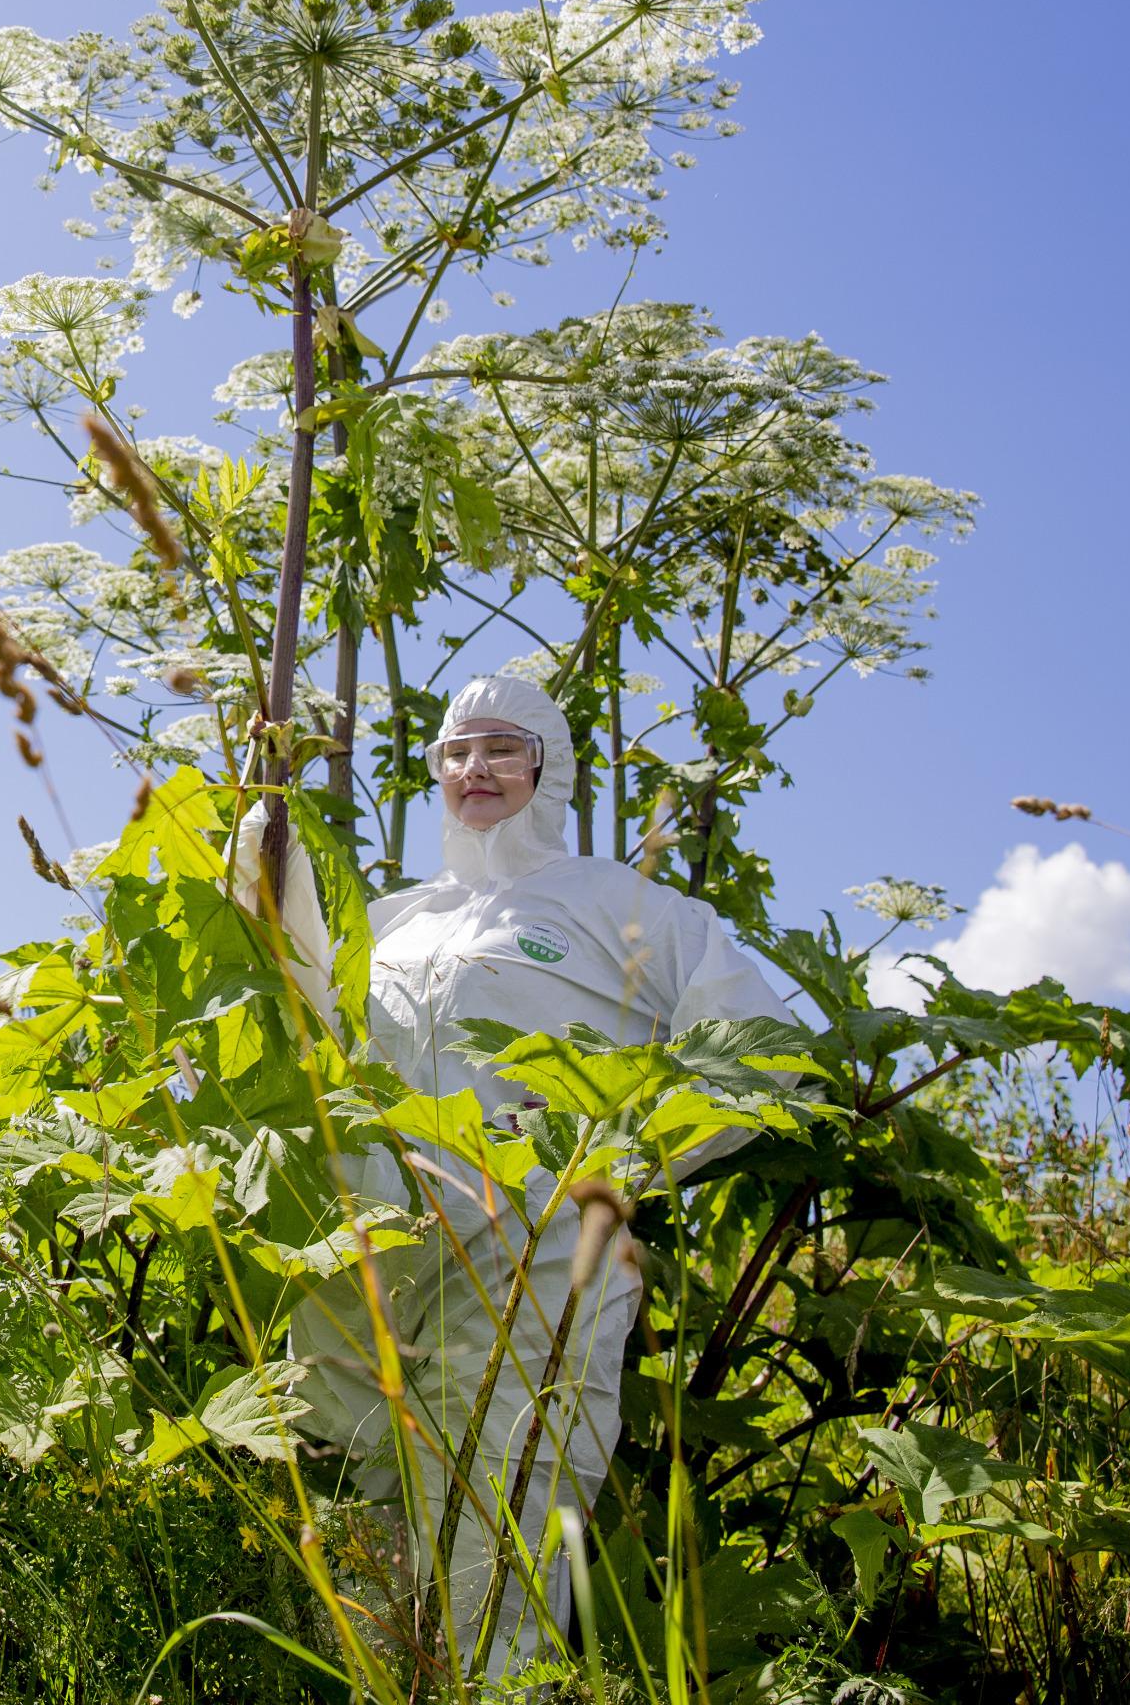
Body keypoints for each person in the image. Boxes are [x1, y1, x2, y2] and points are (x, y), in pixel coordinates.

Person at [237, 670, 791, 1677]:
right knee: (354, 1510)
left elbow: (763, 1052)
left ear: (550, 764)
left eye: (501, 747)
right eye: (455, 752)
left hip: (535, 1260)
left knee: (514, 1510)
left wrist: (614, 1161)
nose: (474, 770)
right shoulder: (398, 916)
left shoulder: (619, 903)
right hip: (371, 1255)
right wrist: (264, 869)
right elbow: (306, 1021)